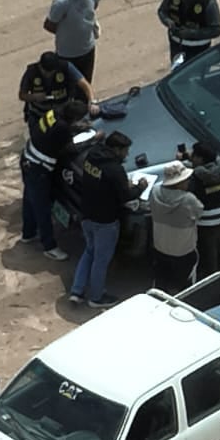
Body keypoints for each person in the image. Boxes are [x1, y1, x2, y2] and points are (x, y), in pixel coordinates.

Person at [68, 132, 147, 309]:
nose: (126, 155)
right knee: (101, 260)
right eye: (125, 151)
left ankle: (77, 290)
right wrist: (140, 188)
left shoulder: (92, 156)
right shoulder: (114, 169)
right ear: (116, 149)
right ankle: (96, 297)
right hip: (105, 221)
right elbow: (125, 197)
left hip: (86, 213)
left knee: (89, 251)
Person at [20, 100, 89, 260]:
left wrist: (75, 128)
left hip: (28, 158)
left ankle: (28, 233)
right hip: (39, 168)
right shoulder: (63, 128)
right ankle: (49, 246)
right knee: (42, 207)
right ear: (73, 117)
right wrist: (92, 139)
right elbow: (70, 149)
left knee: (30, 199)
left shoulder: (54, 113)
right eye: (79, 119)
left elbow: (53, 130)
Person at [148, 160, 203, 293]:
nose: (188, 182)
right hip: (183, 251)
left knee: (160, 282)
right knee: (186, 286)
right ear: (179, 182)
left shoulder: (155, 191)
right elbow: (199, 212)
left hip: (160, 247)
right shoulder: (188, 199)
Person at [183, 141, 220, 275]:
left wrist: (185, 166)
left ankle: (215, 281)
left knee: (210, 256)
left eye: (194, 155)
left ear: (200, 158)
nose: (192, 157)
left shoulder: (196, 178)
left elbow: (189, 192)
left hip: (207, 223)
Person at [43, 0, 101, 82]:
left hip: (88, 49)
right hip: (67, 54)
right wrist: (68, 34)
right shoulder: (62, 2)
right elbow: (49, 25)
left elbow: (93, 8)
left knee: (86, 83)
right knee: (68, 86)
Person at [157, 0, 220, 67]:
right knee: (176, 72)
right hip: (176, 44)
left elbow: (216, 30)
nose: (185, 0)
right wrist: (167, 21)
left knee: (195, 74)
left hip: (198, 48)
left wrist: (191, 33)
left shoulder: (208, 2)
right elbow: (162, 11)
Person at [19, 51, 96, 129]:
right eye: (45, 72)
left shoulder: (66, 67)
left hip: (64, 111)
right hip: (40, 113)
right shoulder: (31, 72)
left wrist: (92, 101)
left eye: (51, 72)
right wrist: (34, 97)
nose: (48, 75)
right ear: (40, 65)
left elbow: (85, 84)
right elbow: (22, 95)